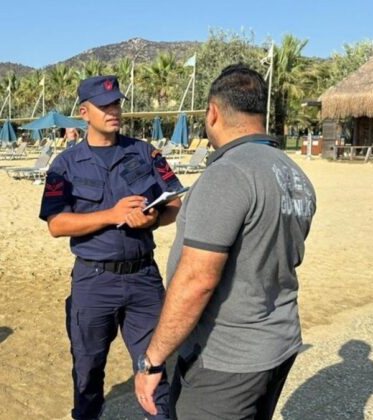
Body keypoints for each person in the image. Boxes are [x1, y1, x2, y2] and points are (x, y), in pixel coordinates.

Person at [135, 64, 317, 420]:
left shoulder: (228, 174)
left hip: (227, 360)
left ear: (213, 112)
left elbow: (196, 281)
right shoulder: (294, 175)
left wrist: (153, 361)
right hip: (277, 343)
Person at [39, 75, 184, 419]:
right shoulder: (66, 165)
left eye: (117, 103)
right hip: (94, 282)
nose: (114, 111)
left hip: (143, 279)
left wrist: (152, 220)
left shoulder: (145, 152)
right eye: (104, 106)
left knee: (156, 369)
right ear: (84, 112)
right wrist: (111, 215)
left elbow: (174, 203)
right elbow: (56, 224)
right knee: (88, 374)